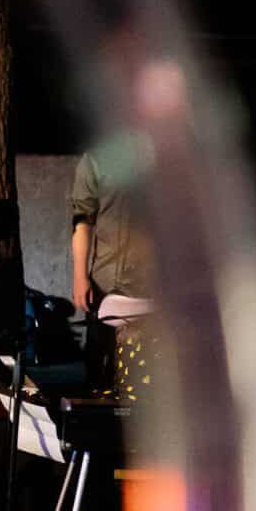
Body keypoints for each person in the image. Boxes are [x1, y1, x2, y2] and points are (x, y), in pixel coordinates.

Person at [71, 139, 159, 400]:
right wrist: (79, 275)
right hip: (108, 283)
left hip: (156, 285)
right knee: (99, 374)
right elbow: (82, 220)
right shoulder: (96, 159)